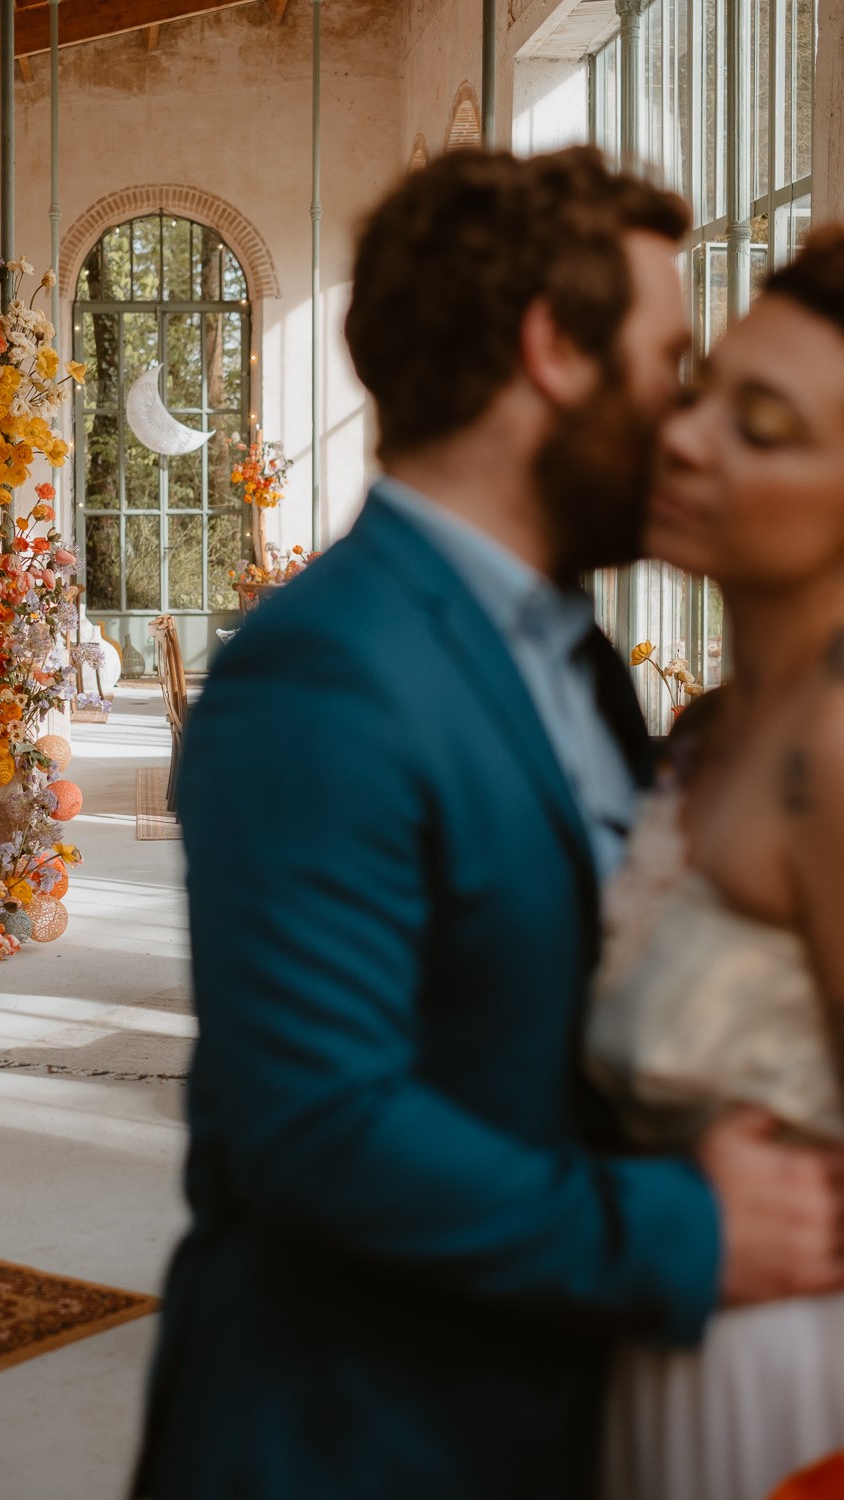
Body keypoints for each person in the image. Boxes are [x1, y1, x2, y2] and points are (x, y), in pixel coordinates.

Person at [131, 149, 844, 1500]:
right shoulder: (325, 667)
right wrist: (677, 1228)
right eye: (670, 358)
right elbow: (320, 1129)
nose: (680, 419)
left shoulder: (579, 656)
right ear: (553, 351)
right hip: (362, 1440)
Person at [589, 226, 844, 1500]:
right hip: (659, 1350)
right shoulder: (711, 733)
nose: (684, 437)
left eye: (766, 425)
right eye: (702, 394)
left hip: (789, 1402)